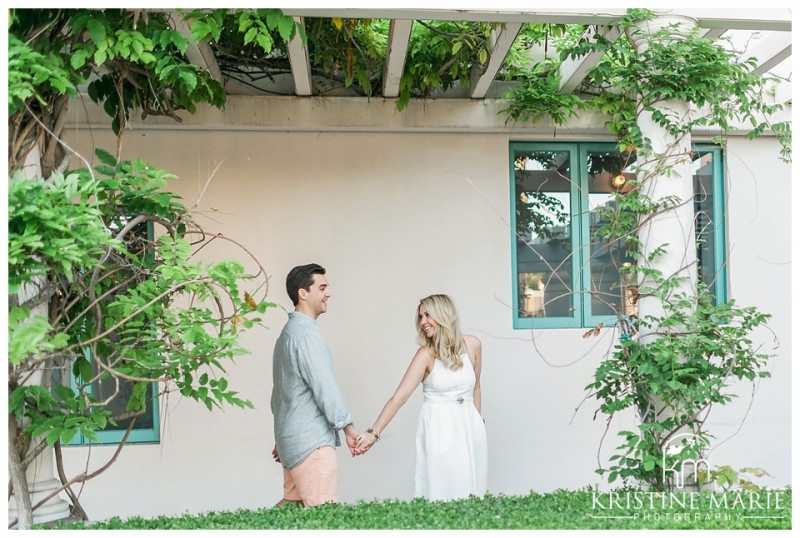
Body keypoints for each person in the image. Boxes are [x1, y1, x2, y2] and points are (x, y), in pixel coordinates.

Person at [356, 294, 487, 501]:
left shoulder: (473, 345)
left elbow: (476, 387)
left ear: (444, 315)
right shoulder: (425, 355)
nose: (423, 321)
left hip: (471, 429)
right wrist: (374, 433)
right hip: (440, 429)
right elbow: (399, 397)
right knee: (443, 491)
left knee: (473, 492)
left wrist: (476, 420)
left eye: (428, 315)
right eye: (420, 317)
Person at [270, 263, 361, 507]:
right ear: (303, 293)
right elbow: (324, 387)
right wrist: (348, 429)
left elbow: (280, 394)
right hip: (312, 443)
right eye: (322, 288)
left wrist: (283, 436)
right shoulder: (306, 336)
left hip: (293, 442)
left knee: (292, 509)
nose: (328, 293)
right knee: (323, 516)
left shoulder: (287, 335)